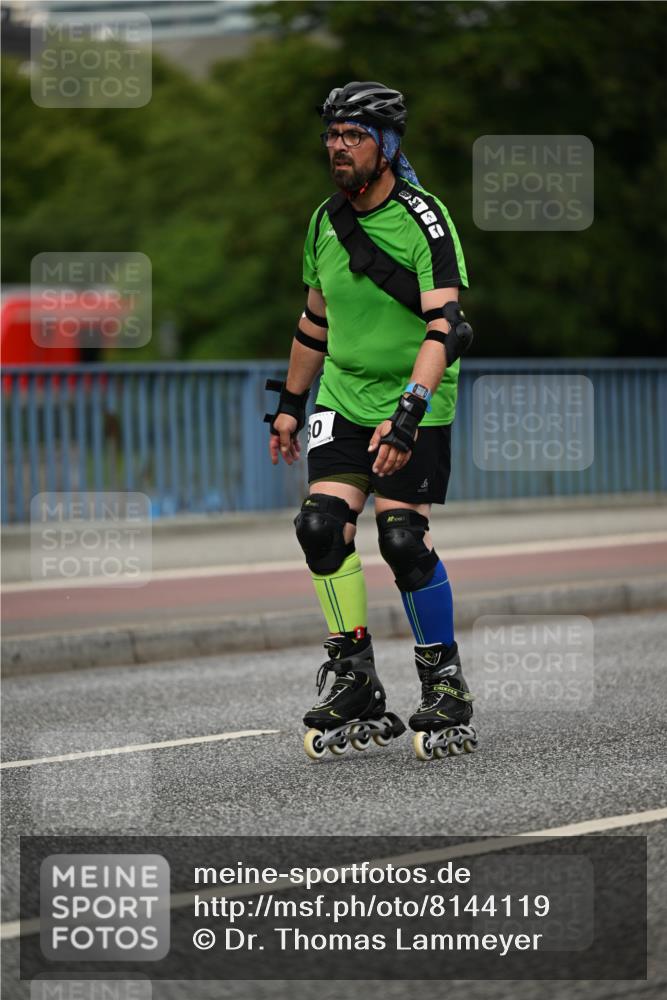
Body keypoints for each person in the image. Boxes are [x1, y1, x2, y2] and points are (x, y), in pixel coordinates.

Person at [265, 81, 476, 761]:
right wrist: (290, 408)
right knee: (320, 526)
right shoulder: (325, 221)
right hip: (342, 395)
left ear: (385, 146)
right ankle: (354, 677)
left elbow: (447, 324)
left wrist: (408, 415)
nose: (337, 147)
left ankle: (442, 680)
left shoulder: (425, 219)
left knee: (402, 538)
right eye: (331, 135)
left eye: (352, 135)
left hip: (414, 396)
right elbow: (314, 321)